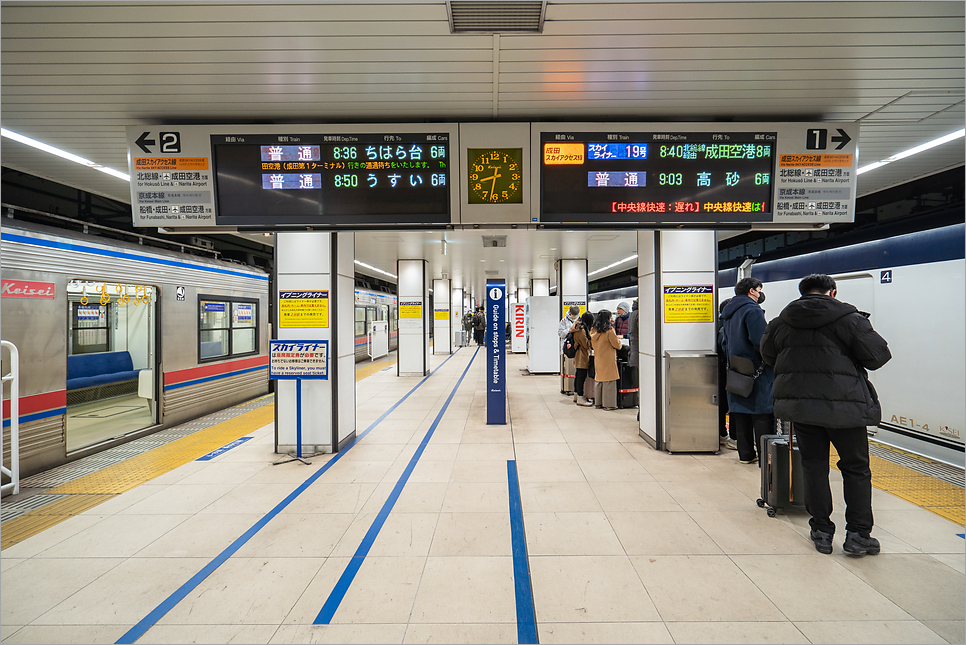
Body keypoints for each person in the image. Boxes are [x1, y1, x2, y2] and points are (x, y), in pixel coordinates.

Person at [760, 273, 891, 557]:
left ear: (802, 293)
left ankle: (820, 529)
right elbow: (878, 356)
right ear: (832, 292)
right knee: (856, 469)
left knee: (814, 467)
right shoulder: (852, 319)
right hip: (846, 408)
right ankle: (858, 535)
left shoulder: (781, 322)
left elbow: (768, 356)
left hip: (802, 409)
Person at [719, 277, 774, 465]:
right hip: (756, 370)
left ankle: (746, 454)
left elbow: (724, 343)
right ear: (752, 291)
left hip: (736, 368)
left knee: (740, 412)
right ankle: (766, 458)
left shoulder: (728, 312)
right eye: (759, 290)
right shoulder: (752, 310)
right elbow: (761, 342)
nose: (760, 294)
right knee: (762, 413)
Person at [590, 309, 622, 410]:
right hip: (608, 358)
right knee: (609, 381)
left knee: (599, 380)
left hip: (598, 357)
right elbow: (617, 345)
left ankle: (598, 402)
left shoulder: (593, 330)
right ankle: (608, 404)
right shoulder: (609, 330)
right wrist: (620, 343)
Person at [717, 298, 736, 450]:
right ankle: (733, 437)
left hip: (718, 371)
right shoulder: (728, 327)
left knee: (721, 403)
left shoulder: (717, 325)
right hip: (730, 371)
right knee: (733, 403)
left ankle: (721, 433)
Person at [570, 312, 595, 406]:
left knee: (578, 376)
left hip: (578, 354)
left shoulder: (577, 326)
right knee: (581, 376)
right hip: (581, 355)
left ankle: (577, 396)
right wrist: (592, 339)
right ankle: (580, 397)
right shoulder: (581, 329)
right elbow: (585, 344)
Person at [558, 304, 580, 395]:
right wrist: (570, 330)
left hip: (577, 348)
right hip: (566, 348)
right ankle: (566, 387)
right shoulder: (563, 321)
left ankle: (573, 388)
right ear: (570, 312)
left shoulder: (580, 320)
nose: (574, 316)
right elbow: (560, 333)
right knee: (566, 368)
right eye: (573, 314)